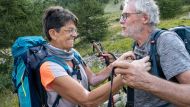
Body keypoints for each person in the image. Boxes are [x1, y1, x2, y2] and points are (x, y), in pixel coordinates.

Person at [40, 6, 150, 107]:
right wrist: (129, 73)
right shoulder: (49, 67)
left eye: (75, 30)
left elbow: (93, 79)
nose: (75, 34)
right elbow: (87, 100)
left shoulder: (73, 53)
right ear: (53, 33)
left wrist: (115, 64)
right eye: (70, 30)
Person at [115, 0, 190, 106]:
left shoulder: (166, 41)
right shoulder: (137, 45)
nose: (121, 21)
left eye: (125, 16)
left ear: (145, 18)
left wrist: (146, 81)